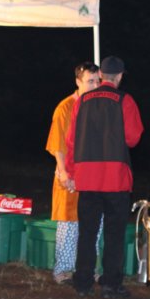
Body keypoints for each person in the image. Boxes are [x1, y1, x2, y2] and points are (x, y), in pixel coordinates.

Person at [65, 55, 143, 299]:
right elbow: (133, 138)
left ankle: (83, 282)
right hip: (115, 177)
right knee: (114, 233)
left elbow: (71, 140)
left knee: (87, 232)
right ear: (119, 76)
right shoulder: (125, 100)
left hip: (87, 176)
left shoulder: (81, 101)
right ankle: (110, 284)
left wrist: (71, 172)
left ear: (100, 75)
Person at [45, 62, 100, 284]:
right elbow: (57, 143)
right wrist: (63, 171)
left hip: (91, 174)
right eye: (90, 81)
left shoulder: (98, 105)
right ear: (78, 82)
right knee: (69, 223)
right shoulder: (65, 107)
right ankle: (63, 270)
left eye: (97, 81)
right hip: (69, 172)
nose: (95, 85)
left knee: (92, 222)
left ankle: (86, 267)